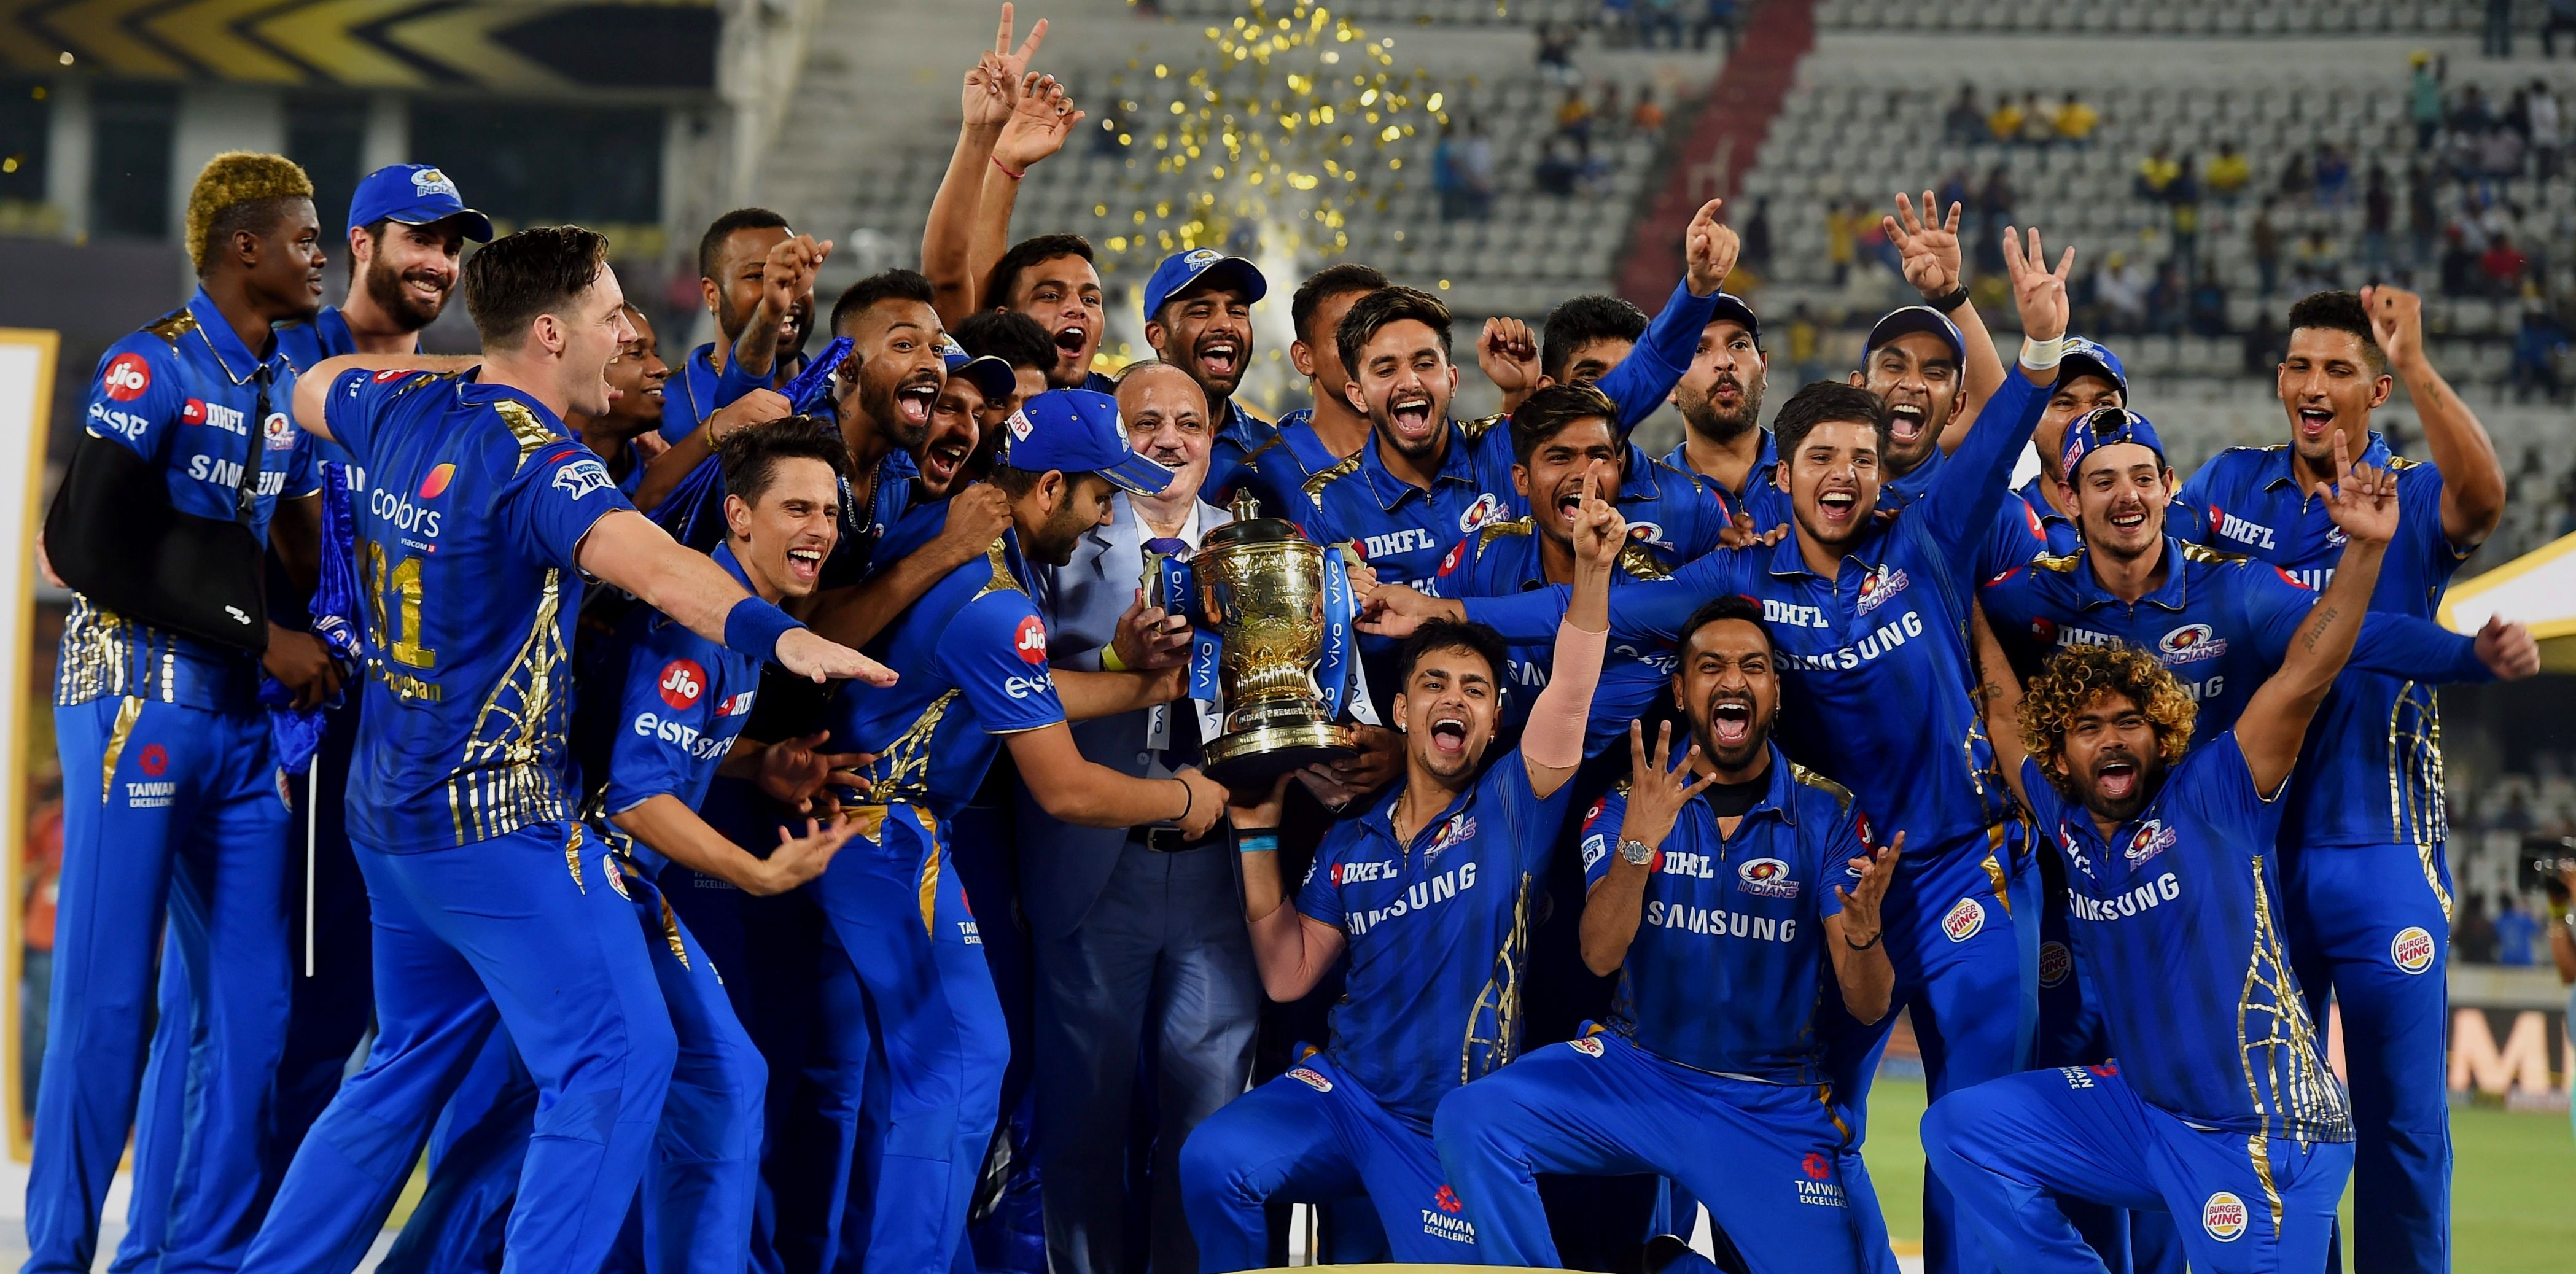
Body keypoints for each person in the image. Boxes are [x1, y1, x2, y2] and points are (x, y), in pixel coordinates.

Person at [1370, 225, 2071, 1274]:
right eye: (1825, 459)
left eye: (1866, 463)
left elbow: (2001, 427)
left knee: (1971, 1128)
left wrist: (2038, 351)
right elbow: (1590, 601)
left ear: (1887, 479)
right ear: (1784, 476)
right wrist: (1441, 605)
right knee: (1810, 1113)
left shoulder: (1924, 543)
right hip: (1837, 877)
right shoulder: (1739, 582)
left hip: (1966, 866)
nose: (1847, 478)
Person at [239, 225, 889, 1273]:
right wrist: (786, 636)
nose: (628, 329)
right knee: (622, 1057)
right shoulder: (544, 463)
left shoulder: (403, 402)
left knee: (401, 1070)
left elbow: (314, 382)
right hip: (493, 828)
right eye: (607, 314)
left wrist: (480, 361)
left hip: (389, 824)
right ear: (551, 333)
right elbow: (661, 569)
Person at [1930, 426, 2403, 1271]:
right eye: (2086, 728)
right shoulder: (2062, 813)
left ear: (2164, 734)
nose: (2109, 744)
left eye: (2127, 724)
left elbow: (2305, 669)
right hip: (2144, 1113)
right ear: (2060, 749)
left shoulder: (2216, 789)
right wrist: (1951, 583)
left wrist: (2363, 554)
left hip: (2260, 1130)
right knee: (1959, 1128)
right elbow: (2002, 708)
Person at [815, 387, 1225, 1270]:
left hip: (879, 828)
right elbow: (1068, 788)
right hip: (883, 834)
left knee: (910, 1074)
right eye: (1097, 495)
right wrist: (1182, 800)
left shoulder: (957, 546)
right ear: (1047, 488)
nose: (1106, 514)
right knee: (963, 1062)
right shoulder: (996, 596)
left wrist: (1140, 683)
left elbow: (1017, 694)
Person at [1179, 470, 1626, 1271]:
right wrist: (1254, 832)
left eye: (1474, 690)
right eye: (1432, 683)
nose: (1451, 699)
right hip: (1345, 1100)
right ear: (1401, 709)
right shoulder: (1350, 842)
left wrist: (1590, 577)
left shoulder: (1511, 804)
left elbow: (1571, 686)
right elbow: (1286, 975)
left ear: (1492, 724)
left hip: (1444, 1127)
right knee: (1213, 1159)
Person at [33, 150, 336, 1274]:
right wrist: (267, 638)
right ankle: (59, 1255)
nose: (320, 256)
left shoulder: (287, 373)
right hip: (133, 704)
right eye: (304, 239)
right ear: (242, 248)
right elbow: (81, 548)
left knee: (251, 1016)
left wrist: (329, 640)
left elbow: (296, 553)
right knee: (108, 1008)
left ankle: (187, 1259)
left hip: (244, 728)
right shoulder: (145, 367)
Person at [2175, 286, 2507, 1274]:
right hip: (2252, 856)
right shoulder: (2225, 486)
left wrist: (2415, 360)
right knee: (2270, 1117)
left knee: (2401, 1125)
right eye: (2295, 366)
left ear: (2369, 388)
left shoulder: (2408, 495)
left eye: (2333, 369)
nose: (2309, 386)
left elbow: (2481, 499)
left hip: (2379, 853)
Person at [1433, 595, 1902, 1273]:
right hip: (1634, 1073)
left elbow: (1867, 1004)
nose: (1733, 680)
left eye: (1753, 666)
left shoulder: (1826, 810)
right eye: (1710, 666)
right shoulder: (1630, 798)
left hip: (1764, 1099)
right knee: (1472, 1120)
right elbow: (1598, 952)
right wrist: (1635, 849)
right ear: (1681, 692)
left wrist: (1862, 937)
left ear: (1775, 689)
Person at [574, 419, 865, 1270]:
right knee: (708, 1081)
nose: (820, 527)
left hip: (616, 888)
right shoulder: (699, 625)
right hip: (584, 883)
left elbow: (652, 747)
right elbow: (631, 794)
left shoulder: (737, 620)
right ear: (737, 514)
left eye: (831, 510)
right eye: (797, 507)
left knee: (719, 1080)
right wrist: (753, 870)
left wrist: (756, 762)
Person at [1019, 362, 1251, 1274]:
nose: (1168, 436)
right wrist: (1119, 654)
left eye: (1187, 420)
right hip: (1088, 869)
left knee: (1207, 1133)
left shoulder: (1253, 547)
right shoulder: (1058, 537)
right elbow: (1020, 680)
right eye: (1144, 419)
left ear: (1213, 433)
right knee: (1080, 1128)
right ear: (1113, 440)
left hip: (1215, 875)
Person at [1217, 263, 1388, 522]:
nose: (1366, 348)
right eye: (1346, 333)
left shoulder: (1434, 455)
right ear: (1304, 358)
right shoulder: (1260, 480)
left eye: (1379, 331)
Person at [656, 208, 822, 443]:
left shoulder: (839, 397)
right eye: (757, 276)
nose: (783, 288)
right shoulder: (662, 408)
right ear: (711, 294)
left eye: (795, 272)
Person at [1148, 249, 1274, 502]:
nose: (1225, 325)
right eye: (1201, 311)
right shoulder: (1117, 446)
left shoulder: (1274, 452)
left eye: (1237, 312)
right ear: (1157, 335)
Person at [567, 303, 672, 494]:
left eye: (655, 354)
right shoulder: (528, 468)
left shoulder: (655, 473)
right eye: (636, 354)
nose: (661, 369)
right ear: (579, 365)